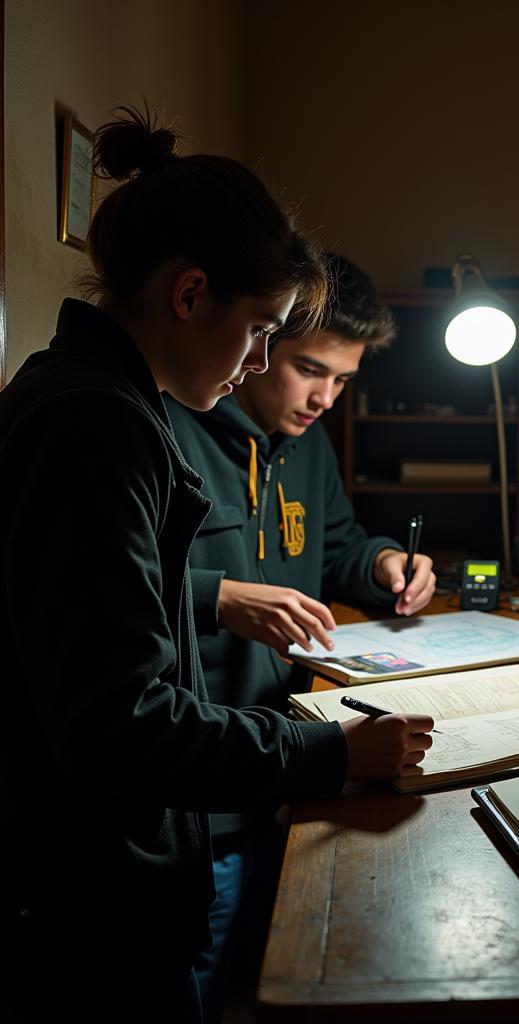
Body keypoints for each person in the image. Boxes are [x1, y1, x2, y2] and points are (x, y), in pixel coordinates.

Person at [0, 107, 433, 1022]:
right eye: (263, 331)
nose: (261, 364)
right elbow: (121, 720)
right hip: (88, 896)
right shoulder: (97, 424)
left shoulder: (100, 401)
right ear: (190, 294)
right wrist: (330, 752)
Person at [166, 253, 436, 1017]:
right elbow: (97, 593)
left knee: (267, 974)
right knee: (204, 980)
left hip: (287, 765)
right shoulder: (164, 428)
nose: (325, 398)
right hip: (200, 793)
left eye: (344, 380)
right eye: (309, 369)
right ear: (259, 341)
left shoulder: (304, 442)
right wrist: (218, 599)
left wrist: (384, 563)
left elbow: (335, 544)